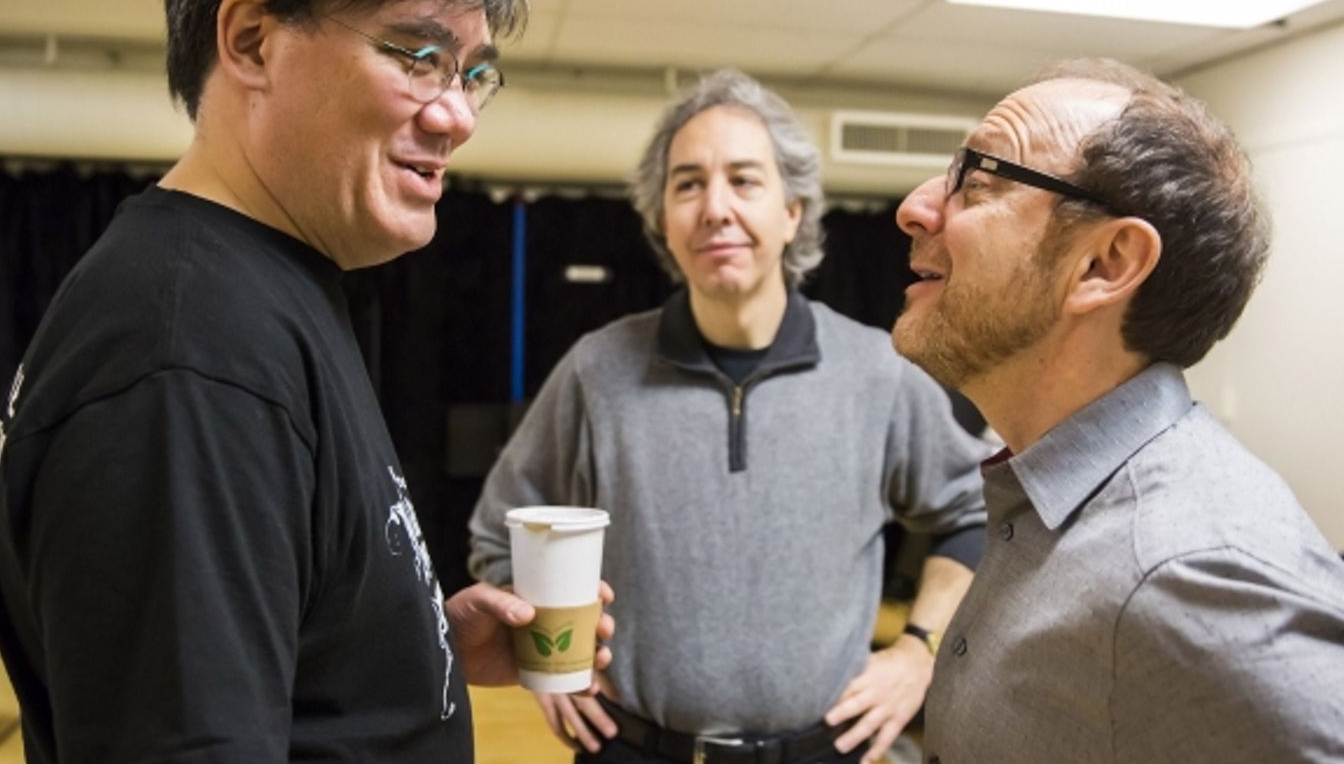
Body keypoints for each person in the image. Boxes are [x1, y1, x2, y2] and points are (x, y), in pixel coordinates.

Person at [0, 0, 610, 761]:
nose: (458, 115)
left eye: (471, 72)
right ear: (252, 41)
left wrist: (408, 640)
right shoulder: (192, 352)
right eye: (418, 55)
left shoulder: (259, 289)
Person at [469, 69, 989, 764]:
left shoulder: (878, 371)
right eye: (687, 183)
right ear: (662, 219)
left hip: (826, 752)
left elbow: (977, 516)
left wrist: (919, 652)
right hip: (635, 750)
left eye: (744, 180)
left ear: (792, 211)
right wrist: (543, 659)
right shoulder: (598, 369)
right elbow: (503, 533)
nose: (714, 207)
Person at [891, 58, 1344, 762]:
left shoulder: (1192, 572)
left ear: (1105, 265)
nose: (916, 207)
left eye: (977, 181)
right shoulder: (1047, 501)